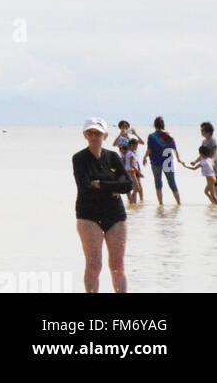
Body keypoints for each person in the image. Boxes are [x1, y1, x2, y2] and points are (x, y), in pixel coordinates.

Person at [73, 117, 132, 293]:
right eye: (90, 133)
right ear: (85, 135)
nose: (93, 136)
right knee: (94, 264)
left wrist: (102, 184)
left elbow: (128, 185)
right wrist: (113, 186)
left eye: (97, 133)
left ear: (105, 136)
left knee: (117, 265)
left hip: (115, 216)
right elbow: (85, 186)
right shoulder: (79, 158)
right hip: (89, 216)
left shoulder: (113, 157)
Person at [145, 117, 181, 205]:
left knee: (158, 183)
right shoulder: (169, 135)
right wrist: (179, 159)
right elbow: (175, 149)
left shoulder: (152, 136)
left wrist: (144, 157)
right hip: (168, 163)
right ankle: (179, 203)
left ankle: (161, 204)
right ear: (163, 125)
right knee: (172, 183)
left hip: (156, 162)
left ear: (154, 125)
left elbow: (149, 150)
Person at [123, 138, 144, 204]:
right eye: (135, 145)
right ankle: (131, 203)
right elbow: (132, 165)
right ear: (131, 145)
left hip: (133, 171)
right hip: (131, 171)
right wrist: (139, 173)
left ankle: (133, 203)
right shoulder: (130, 153)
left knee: (136, 188)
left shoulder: (134, 152)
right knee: (136, 188)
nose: (136, 147)